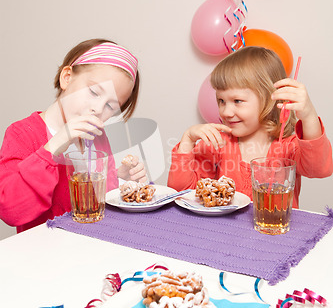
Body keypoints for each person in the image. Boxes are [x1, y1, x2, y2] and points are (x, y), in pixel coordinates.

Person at [0, 38, 147, 233]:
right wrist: (55, 145)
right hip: (43, 255)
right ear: (67, 77)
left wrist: (120, 179)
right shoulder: (22, 133)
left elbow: (100, 203)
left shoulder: (97, 137)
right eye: (94, 92)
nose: (97, 109)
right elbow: (10, 210)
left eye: (111, 106)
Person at [168, 46, 333, 207]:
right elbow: (180, 192)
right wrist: (187, 141)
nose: (226, 111)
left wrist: (309, 116)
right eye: (221, 101)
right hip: (226, 234)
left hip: (275, 231)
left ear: (269, 99)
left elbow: (319, 169)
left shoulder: (288, 148)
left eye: (237, 101)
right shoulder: (217, 144)